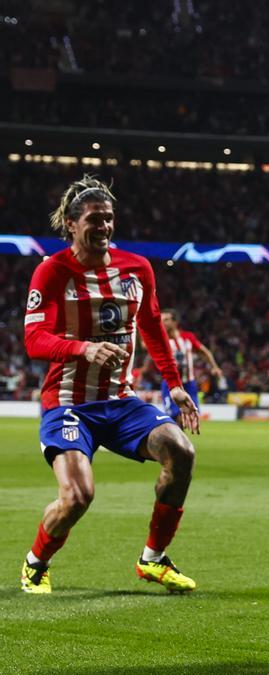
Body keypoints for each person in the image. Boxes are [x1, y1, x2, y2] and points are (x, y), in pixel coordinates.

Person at [21, 176, 200, 594]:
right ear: (70, 223)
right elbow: (33, 339)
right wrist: (83, 350)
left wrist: (173, 385)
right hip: (67, 403)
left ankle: (152, 558)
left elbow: (153, 327)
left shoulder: (137, 268)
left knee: (180, 450)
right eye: (94, 220)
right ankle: (35, 563)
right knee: (77, 498)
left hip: (120, 401)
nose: (103, 227)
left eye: (109, 219)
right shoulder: (51, 272)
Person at [156, 309, 223, 421]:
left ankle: (179, 437)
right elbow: (144, 346)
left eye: (166, 319)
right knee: (176, 417)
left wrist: (214, 367)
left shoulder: (188, 337)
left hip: (189, 383)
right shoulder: (160, 339)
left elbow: (204, 352)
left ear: (175, 322)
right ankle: (178, 438)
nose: (163, 322)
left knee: (192, 415)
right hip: (170, 384)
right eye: (161, 320)